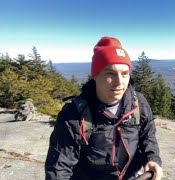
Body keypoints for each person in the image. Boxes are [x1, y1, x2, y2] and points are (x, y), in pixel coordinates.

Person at [45, 36, 163, 180]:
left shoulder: (138, 103)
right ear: (95, 75)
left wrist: (152, 158)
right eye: (110, 74)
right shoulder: (75, 114)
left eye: (125, 74)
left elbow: (148, 136)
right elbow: (59, 167)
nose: (119, 82)